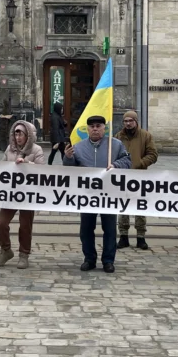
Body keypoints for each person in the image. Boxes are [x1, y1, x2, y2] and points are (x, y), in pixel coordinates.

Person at [64, 115, 132, 273]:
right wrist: (68, 158)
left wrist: (115, 165)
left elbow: (128, 161)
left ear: (104, 128)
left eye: (98, 126)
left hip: (109, 194)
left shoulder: (115, 145)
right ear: (87, 129)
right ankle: (89, 259)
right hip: (87, 195)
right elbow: (69, 169)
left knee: (110, 229)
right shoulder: (78, 147)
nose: (95, 129)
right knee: (86, 229)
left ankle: (108, 260)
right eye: (92, 126)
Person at [0, 120, 45, 269]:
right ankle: (5, 250)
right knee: (1, 222)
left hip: (28, 194)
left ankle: (24, 254)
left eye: (21, 134)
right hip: (11, 193)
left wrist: (27, 165)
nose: (18, 137)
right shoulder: (9, 149)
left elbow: (42, 171)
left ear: (28, 135)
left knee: (25, 225)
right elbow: (2, 167)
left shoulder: (36, 150)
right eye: (16, 134)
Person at [115, 110, 158, 250]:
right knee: (123, 207)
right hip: (123, 177)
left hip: (140, 177)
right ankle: (123, 236)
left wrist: (140, 163)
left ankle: (141, 236)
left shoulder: (146, 136)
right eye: (125, 121)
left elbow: (153, 154)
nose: (128, 124)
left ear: (136, 121)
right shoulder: (118, 137)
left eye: (130, 121)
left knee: (140, 207)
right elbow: (114, 154)